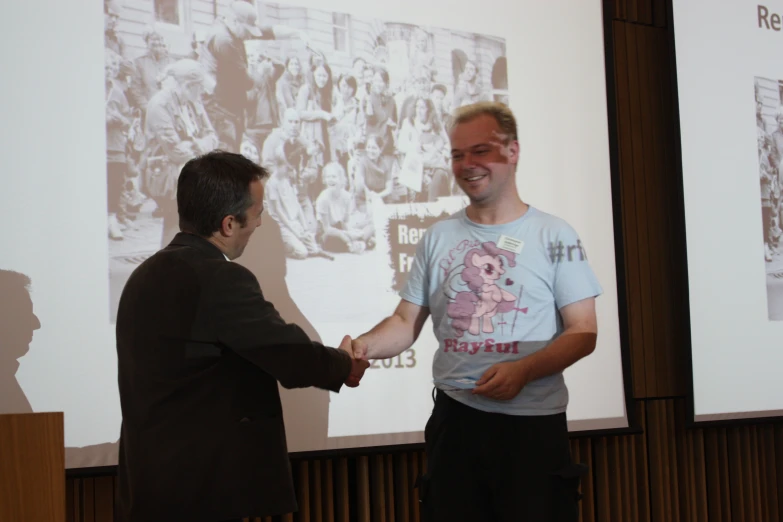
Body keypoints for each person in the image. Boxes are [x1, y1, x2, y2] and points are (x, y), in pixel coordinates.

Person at [351, 101, 602, 521]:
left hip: (532, 429)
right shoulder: (437, 237)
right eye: (456, 154)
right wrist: (361, 347)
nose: (467, 164)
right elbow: (403, 322)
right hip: (455, 423)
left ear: (512, 152)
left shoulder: (556, 234)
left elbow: (583, 331)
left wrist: (524, 370)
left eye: (480, 150)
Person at [115, 150, 369, 522]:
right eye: (258, 212)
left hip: (151, 488)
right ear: (229, 224)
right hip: (204, 491)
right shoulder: (219, 277)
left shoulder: (143, 276)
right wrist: (344, 363)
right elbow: (288, 354)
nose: (261, 223)